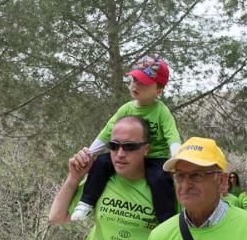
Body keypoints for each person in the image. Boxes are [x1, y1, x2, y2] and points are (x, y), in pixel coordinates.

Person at [71, 55, 180, 223]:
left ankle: (166, 222)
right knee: (101, 163)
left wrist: (176, 159)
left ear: (158, 90)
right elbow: (107, 132)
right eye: (134, 80)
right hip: (128, 155)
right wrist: (90, 153)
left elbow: (172, 135)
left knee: (160, 179)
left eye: (142, 83)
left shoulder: (161, 111)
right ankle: (86, 202)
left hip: (155, 157)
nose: (135, 85)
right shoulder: (126, 109)